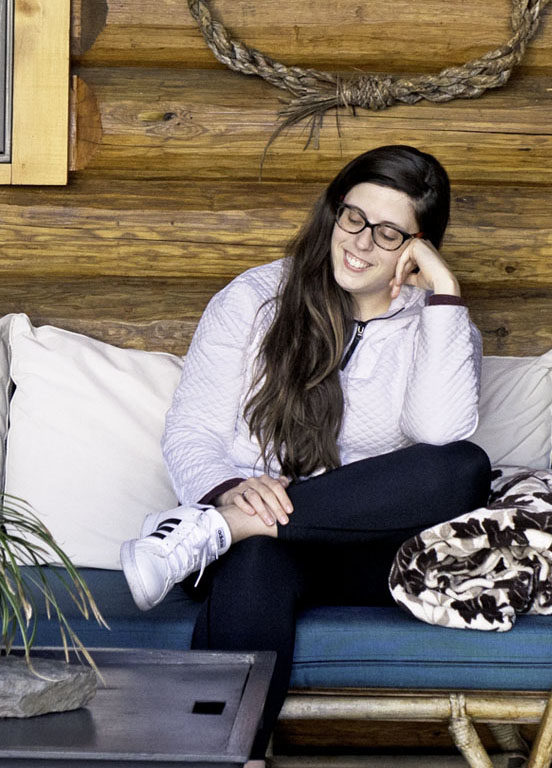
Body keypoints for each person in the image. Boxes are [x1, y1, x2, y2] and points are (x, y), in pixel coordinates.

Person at [120, 145, 491, 767]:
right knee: (258, 556)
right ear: (333, 210)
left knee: (464, 466)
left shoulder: (441, 324)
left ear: (418, 247)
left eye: (390, 232)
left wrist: (446, 294)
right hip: (258, 548)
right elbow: (191, 431)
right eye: (353, 217)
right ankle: (236, 758)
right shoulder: (255, 298)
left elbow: (443, 432)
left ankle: (209, 533)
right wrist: (226, 490)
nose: (362, 243)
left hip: (363, 557)